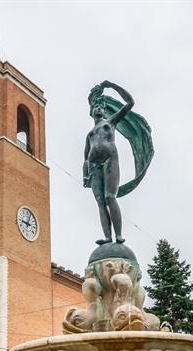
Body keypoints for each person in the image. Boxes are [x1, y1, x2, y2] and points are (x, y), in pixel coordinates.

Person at [83, 80, 134, 245]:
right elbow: (85, 157)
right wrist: (85, 175)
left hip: (110, 160)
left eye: (100, 106)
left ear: (104, 110)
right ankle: (107, 237)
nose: (98, 108)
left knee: (110, 197)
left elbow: (130, 103)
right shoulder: (89, 134)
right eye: (95, 107)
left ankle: (118, 235)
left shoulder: (110, 122)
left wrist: (112, 85)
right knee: (100, 202)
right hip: (94, 167)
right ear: (91, 112)